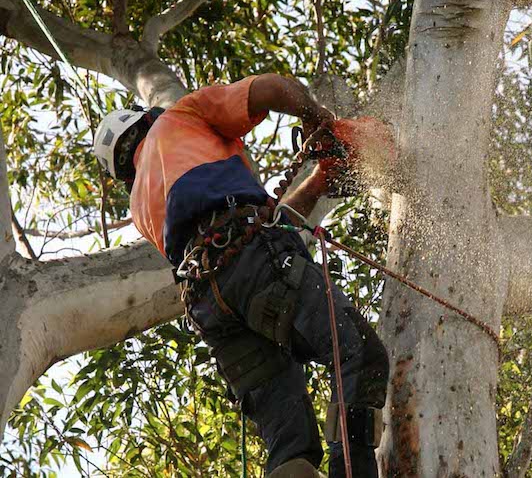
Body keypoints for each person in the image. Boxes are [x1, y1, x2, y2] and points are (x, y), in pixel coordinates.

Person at [92, 74, 389, 478]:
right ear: (145, 120)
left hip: (213, 308)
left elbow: (261, 229)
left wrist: (319, 182)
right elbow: (267, 88)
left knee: (290, 448)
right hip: (251, 264)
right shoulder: (180, 116)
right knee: (358, 354)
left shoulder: (143, 205)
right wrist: (315, 117)